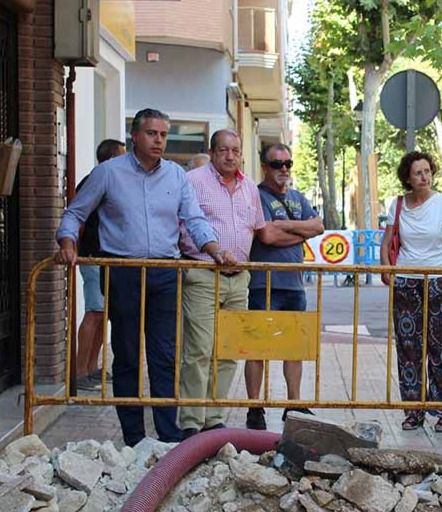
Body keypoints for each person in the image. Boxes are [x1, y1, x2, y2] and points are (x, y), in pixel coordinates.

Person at [55, 108, 233, 446]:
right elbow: (75, 213)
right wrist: (67, 242)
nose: (159, 141)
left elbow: (193, 219)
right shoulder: (109, 173)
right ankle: (134, 436)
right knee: (126, 354)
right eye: (152, 133)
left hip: (166, 272)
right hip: (123, 271)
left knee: (164, 355)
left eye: (164, 135)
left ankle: (167, 435)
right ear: (134, 136)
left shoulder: (177, 176)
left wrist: (214, 249)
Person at [178, 129, 282, 439]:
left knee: (228, 350)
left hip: (240, 279)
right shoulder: (194, 181)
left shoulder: (250, 187)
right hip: (202, 272)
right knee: (198, 349)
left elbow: (262, 231)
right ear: (212, 153)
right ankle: (192, 420)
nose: (230, 155)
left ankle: (215, 416)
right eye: (223, 150)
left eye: (235, 150)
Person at [380, 151, 442, 432]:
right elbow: (387, 242)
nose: (424, 177)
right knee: (408, 349)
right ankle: (413, 410)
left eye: (427, 171)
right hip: (406, 281)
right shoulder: (399, 204)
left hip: (437, 281)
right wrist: (388, 270)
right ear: (408, 177)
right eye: (418, 173)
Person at [245, 143, 324, 430]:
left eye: (288, 164)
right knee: (257, 348)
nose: (284, 170)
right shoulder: (255, 196)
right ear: (265, 167)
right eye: (277, 164)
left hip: (294, 284)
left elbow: (318, 227)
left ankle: (294, 403)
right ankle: (254, 407)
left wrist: (285, 227)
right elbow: (266, 235)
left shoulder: (298, 197)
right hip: (264, 284)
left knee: (294, 348)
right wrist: (299, 230)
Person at [75, 139, 126, 391]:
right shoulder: (93, 181)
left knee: (103, 314)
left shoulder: (114, 182)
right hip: (93, 257)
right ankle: (80, 371)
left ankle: (93, 368)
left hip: (107, 258)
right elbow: (78, 217)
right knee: (94, 313)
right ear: (111, 159)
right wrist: (78, 251)